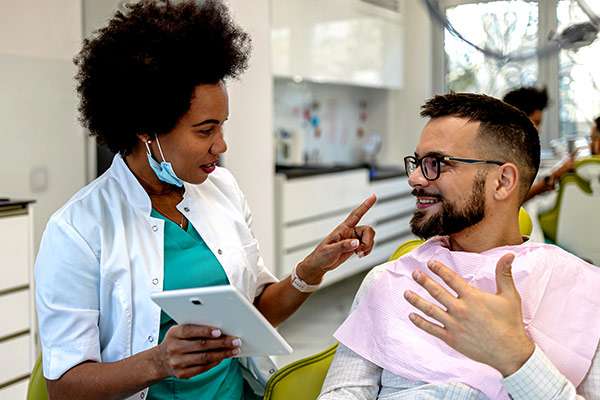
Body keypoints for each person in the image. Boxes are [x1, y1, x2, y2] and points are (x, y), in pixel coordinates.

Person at [34, 2, 376, 400]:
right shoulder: (77, 230)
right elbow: (63, 387)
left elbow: (255, 317)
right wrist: (159, 362)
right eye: (205, 130)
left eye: (222, 125)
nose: (221, 144)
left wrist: (310, 270)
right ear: (146, 130)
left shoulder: (222, 191)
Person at [319, 93, 600, 399]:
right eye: (416, 163)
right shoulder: (387, 280)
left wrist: (517, 358)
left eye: (436, 163)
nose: (415, 178)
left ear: (502, 181)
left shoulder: (584, 291)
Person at [502, 86, 574, 201]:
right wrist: (552, 177)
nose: (538, 129)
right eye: (536, 122)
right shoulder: (502, 154)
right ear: (518, 119)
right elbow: (512, 199)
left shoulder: (521, 152)